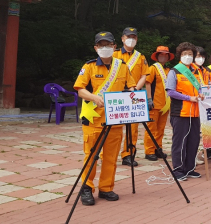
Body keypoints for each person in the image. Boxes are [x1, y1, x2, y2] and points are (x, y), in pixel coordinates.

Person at [74, 31, 137, 206]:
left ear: (114, 46)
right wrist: (94, 97)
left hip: (115, 119)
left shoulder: (122, 66)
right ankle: (86, 187)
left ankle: (106, 188)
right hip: (93, 118)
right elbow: (80, 89)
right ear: (96, 48)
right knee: (91, 155)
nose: (105, 48)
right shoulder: (89, 66)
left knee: (111, 156)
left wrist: (133, 96)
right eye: (101, 45)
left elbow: (131, 86)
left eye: (108, 45)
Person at [165, 42, 205, 181]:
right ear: (179, 56)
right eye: (184, 54)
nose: (187, 56)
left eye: (190, 54)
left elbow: (200, 88)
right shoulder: (174, 71)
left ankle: (189, 168)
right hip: (180, 112)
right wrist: (189, 98)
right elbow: (171, 91)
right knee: (179, 142)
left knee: (193, 141)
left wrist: (201, 94)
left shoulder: (197, 71)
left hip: (195, 112)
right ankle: (178, 170)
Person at [113, 27, 148, 167]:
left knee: (133, 127)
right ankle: (106, 155)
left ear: (137, 39)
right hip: (117, 94)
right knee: (114, 126)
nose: (131, 39)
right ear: (122, 38)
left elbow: (144, 75)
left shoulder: (141, 57)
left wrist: (135, 90)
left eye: (134, 37)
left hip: (134, 93)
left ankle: (128, 155)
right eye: (128, 37)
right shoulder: (114, 55)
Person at [143, 46, 174, 161]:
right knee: (151, 128)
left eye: (165, 54)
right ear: (157, 56)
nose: (163, 56)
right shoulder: (153, 68)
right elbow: (147, 83)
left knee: (161, 128)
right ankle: (149, 151)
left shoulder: (169, 70)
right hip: (154, 104)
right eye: (161, 54)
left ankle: (158, 148)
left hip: (165, 104)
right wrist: (149, 99)